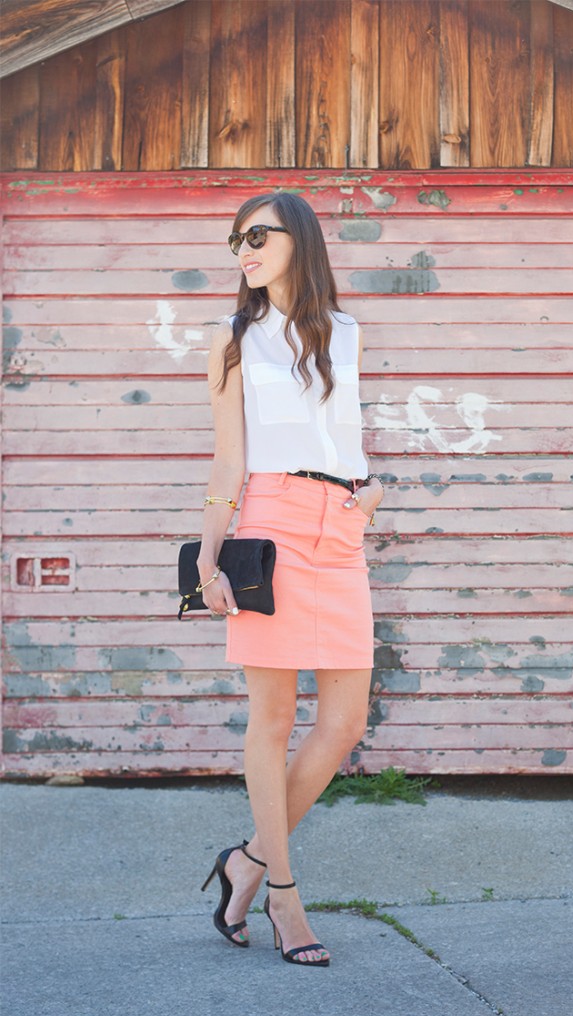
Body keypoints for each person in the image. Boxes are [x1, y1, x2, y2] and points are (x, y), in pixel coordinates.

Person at [197, 193, 384, 967]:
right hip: (269, 523)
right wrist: (209, 557)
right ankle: (281, 893)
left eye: (257, 235)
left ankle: (243, 859)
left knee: (342, 723)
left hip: (340, 523)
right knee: (271, 721)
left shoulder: (346, 332)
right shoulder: (234, 340)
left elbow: (347, 430)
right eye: (236, 239)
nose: (243, 249)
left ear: (297, 240)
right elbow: (227, 459)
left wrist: (369, 494)